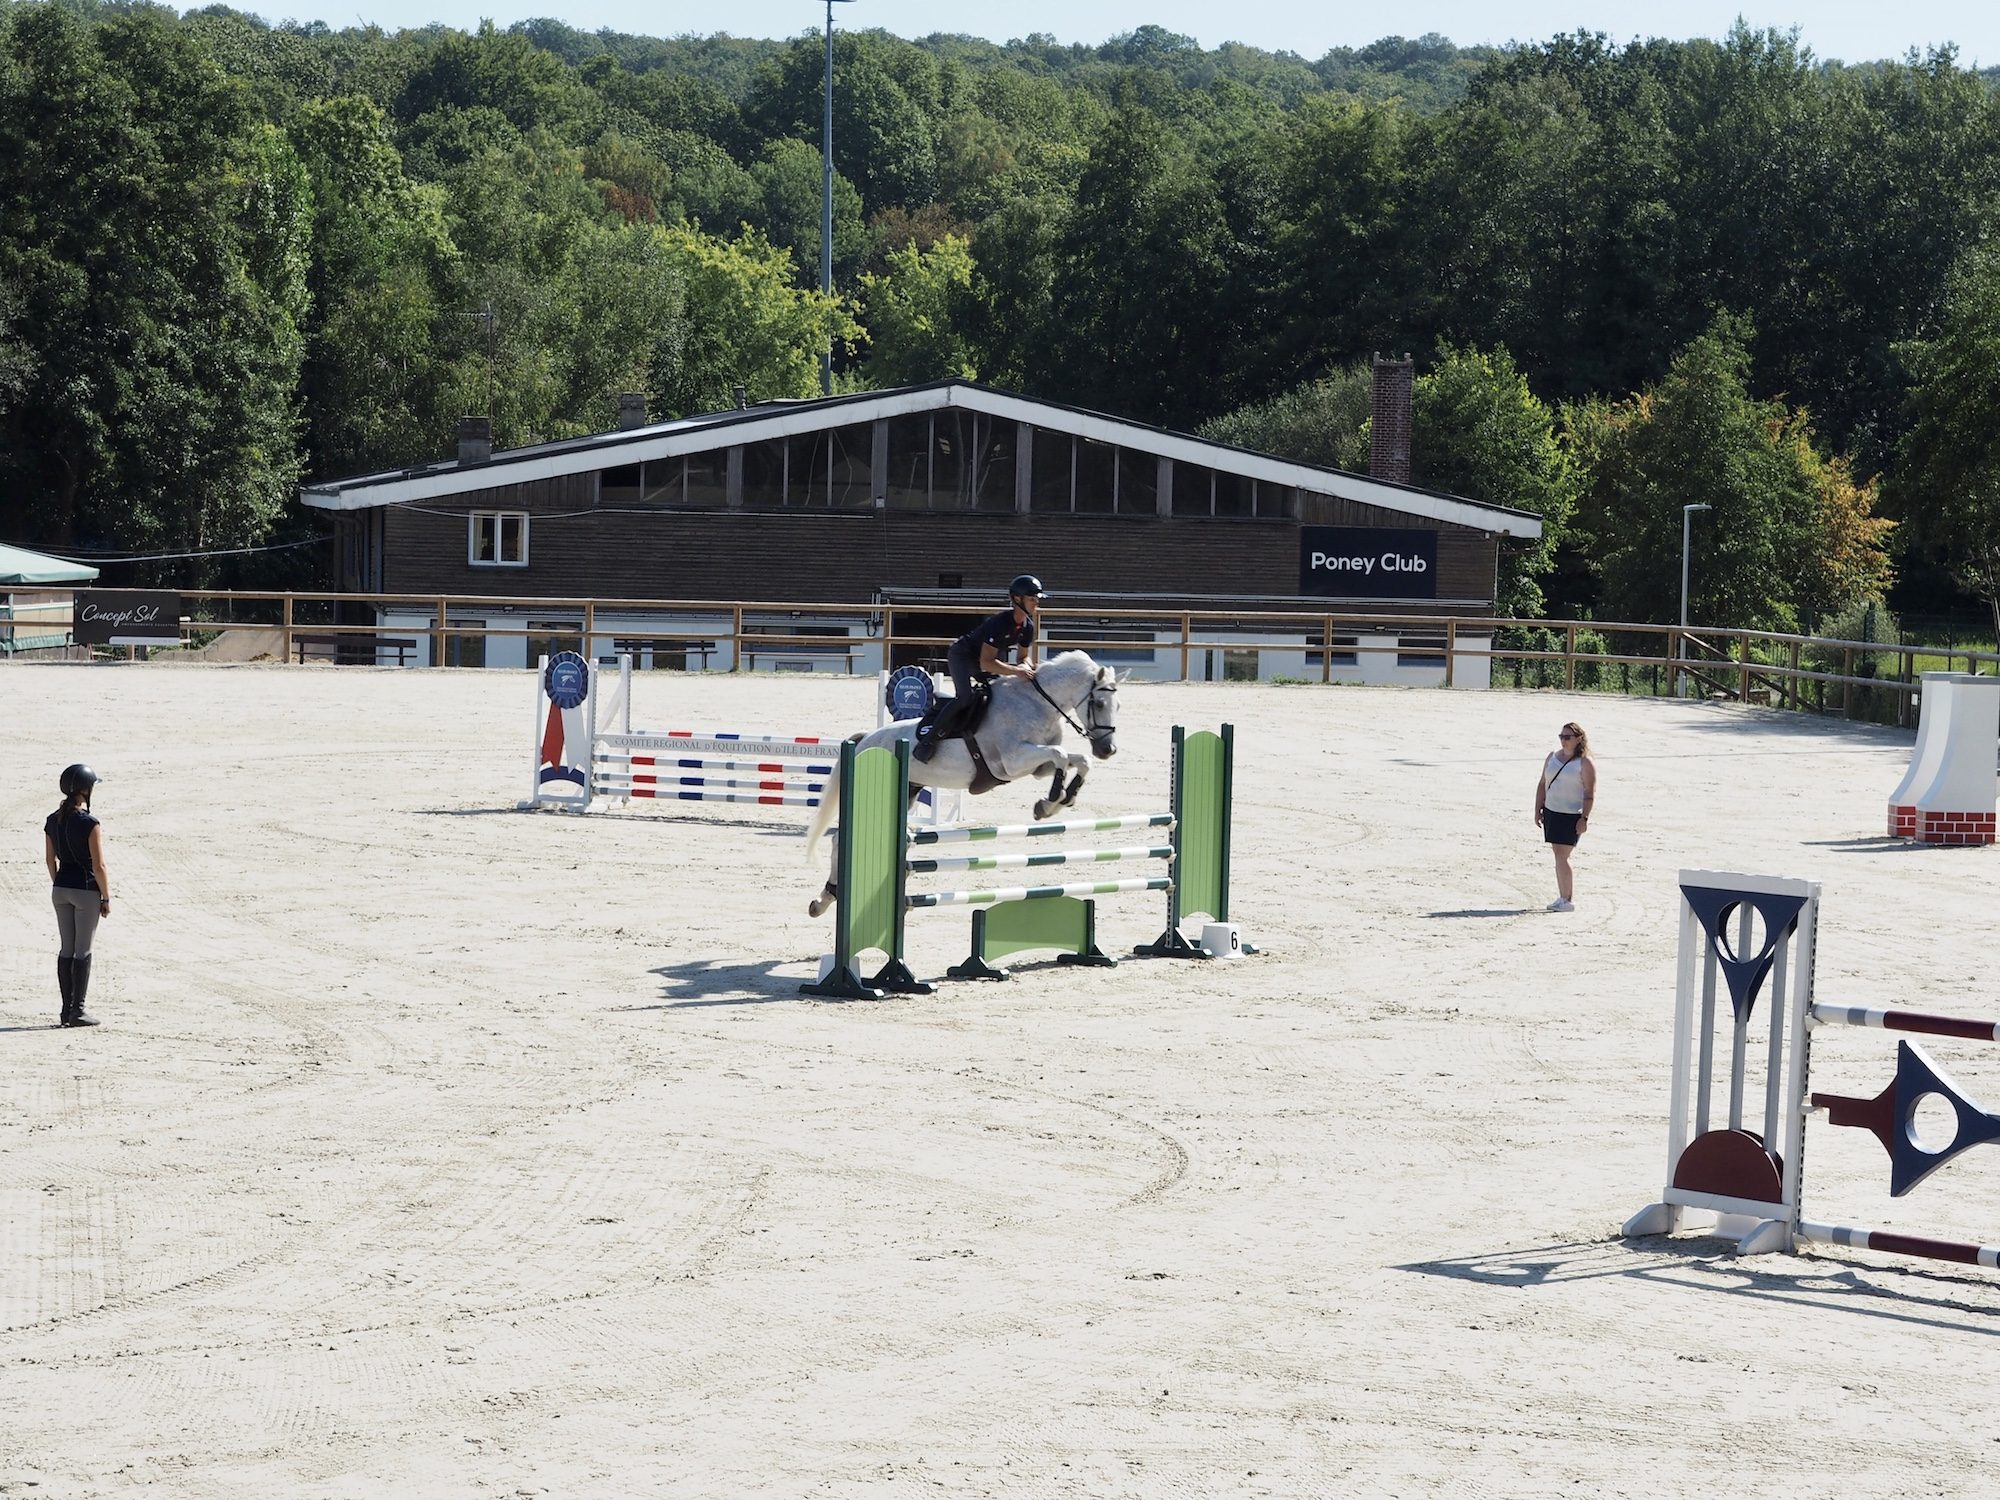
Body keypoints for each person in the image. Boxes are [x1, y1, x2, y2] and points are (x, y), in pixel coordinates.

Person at [913, 575, 1045, 761]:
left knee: (994, 694)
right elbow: (986, 663)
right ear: (1017, 599)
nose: (1036, 603)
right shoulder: (1000, 623)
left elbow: (1023, 657)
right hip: (962, 655)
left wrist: (1028, 667)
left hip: (983, 660)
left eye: (1037, 600)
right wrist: (1017, 671)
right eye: (1032, 599)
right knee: (965, 697)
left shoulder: (1027, 626)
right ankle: (928, 742)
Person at [44, 763, 111, 1027]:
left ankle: (65, 1011)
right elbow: (99, 866)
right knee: (83, 950)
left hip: (59, 889)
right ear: (85, 790)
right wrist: (105, 897)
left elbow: (50, 861)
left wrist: (59, 884)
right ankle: (78, 1011)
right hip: (85, 891)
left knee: (66, 949)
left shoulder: (52, 820)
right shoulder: (90, 823)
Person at [1534, 723, 1595, 913]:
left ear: (1578, 738)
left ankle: (1567, 899)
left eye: (1568, 737)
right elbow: (1543, 783)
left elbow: (1589, 793)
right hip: (1552, 811)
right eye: (1561, 736)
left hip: (1571, 815)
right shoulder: (1552, 757)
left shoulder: (1584, 762)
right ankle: (1563, 897)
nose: (1563, 740)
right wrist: (1538, 809)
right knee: (1558, 855)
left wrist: (1584, 818)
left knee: (1563, 856)